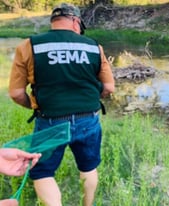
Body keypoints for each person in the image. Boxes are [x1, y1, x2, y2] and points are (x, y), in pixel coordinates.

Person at [8, 3, 115, 206]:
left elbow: (16, 93)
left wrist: (35, 105)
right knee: (89, 167)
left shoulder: (29, 46)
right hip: (88, 119)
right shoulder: (93, 46)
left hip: (50, 121)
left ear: (54, 22)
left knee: (42, 171)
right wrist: (89, 97)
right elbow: (109, 87)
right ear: (76, 22)